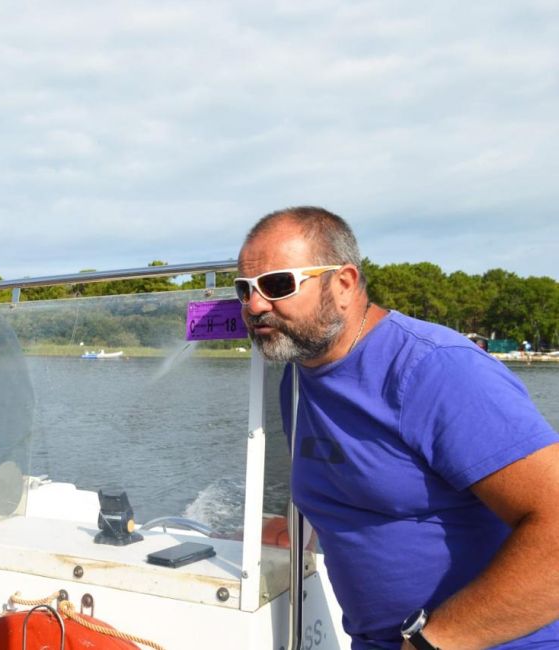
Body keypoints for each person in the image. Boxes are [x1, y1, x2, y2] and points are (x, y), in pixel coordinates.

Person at [235, 207, 559, 649]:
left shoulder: (435, 369)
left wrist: (433, 641)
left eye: (278, 284)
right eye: (245, 289)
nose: (254, 305)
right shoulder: (296, 378)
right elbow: (355, 490)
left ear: (344, 283)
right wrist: (288, 531)